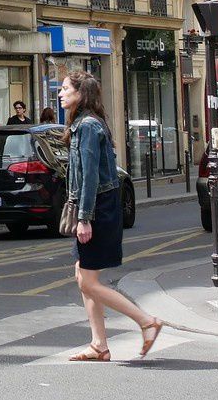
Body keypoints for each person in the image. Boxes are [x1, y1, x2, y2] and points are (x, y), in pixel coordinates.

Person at [60, 70, 163, 361]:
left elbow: (90, 175)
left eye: (66, 88)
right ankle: (99, 345)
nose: (61, 93)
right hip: (98, 206)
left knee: (88, 281)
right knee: (82, 273)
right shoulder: (84, 124)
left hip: (99, 208)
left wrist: (84, 217)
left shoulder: (89, 126)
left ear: (81, 94)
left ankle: (147, 321)